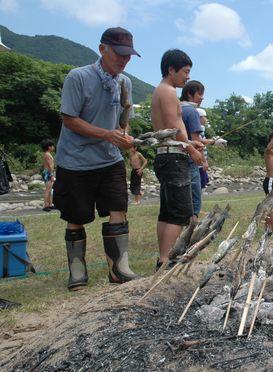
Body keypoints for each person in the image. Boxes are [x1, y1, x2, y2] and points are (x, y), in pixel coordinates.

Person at [53, 27, 140, 290]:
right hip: (75, 160)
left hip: (110, 158)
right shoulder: (78, 77)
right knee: (76, 214)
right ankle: (77, 271)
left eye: (128, 56)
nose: (124, 60)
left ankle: (119, 269)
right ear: (102, 49)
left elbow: (123, 122)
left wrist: (125, 138)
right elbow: (69, 119)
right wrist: (107, 135)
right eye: (119, 54)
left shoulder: (125, 83)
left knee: (118, 208)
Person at [151, 49, 204, 268]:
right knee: (179, 214)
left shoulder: (163, 90)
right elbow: (173, 127)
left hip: (167, 154)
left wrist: (191, 143)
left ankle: (163, 258)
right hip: (173, 157)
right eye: (185, 71)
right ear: (171, 70)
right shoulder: (168, 91)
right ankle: (167, 260)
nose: (188, 76)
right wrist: (191, 150)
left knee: (168, 211)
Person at [179, 80, 206, 219]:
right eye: (200, 94)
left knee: (180, 200)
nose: (202, 97)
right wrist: (203, 161)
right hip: (190, 160)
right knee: (195, 201)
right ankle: (191, 232)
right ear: (190, 94)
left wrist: (212, 141)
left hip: (174, 159)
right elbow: (197, 141)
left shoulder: (177, 108)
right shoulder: (192, 111)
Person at [40, 139, 55, 212]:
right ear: (49, 147)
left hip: (46, 172)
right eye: (52, 146)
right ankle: (46, 205)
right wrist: (51, 175)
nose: (53, 147)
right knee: (48, 190)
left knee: (50, 189)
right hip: (48, 173)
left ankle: (50, 204)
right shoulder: (48, 155)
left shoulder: (46, 154)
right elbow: (50, 166)